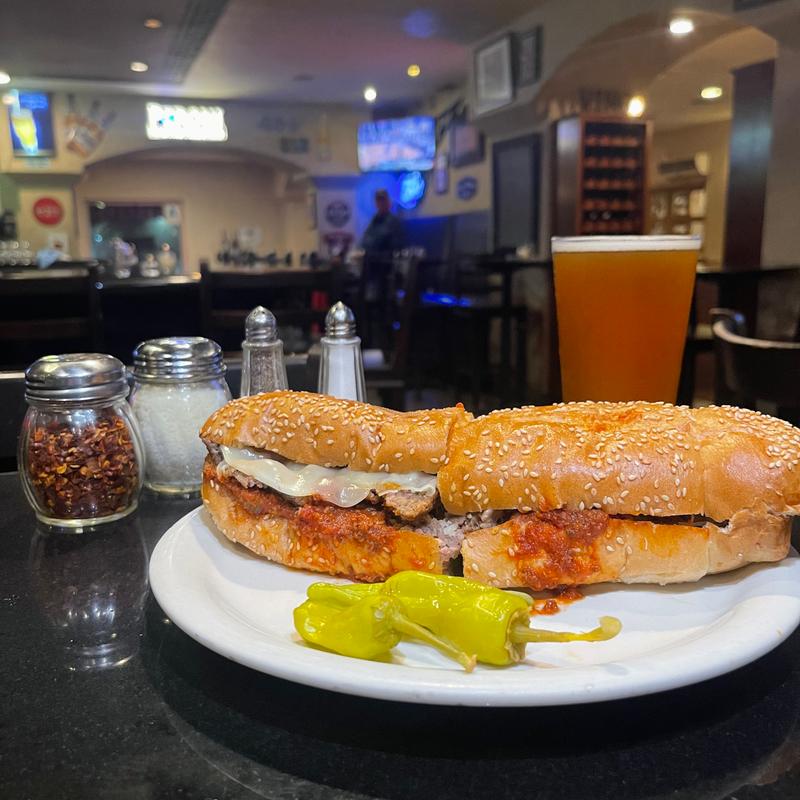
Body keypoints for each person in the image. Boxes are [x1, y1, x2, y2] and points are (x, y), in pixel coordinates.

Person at [361, 189, 404, 257]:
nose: (381, 203)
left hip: (386, 260)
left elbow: (381, 240)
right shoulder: (375, 219)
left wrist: (373, 241)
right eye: (378, 201)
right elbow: (364, 241)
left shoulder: (393, 221)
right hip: (372, 258)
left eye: (383, 200)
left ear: (388, 202)